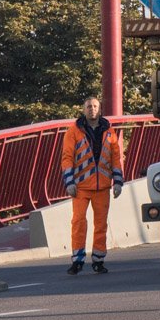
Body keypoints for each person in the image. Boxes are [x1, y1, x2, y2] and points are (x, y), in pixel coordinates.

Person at [60, 97, 124, 275]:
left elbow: (115, 159)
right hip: (80, 186)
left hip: (102, 187)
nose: (92, 109)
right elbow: (67, 157)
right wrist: (69, 182)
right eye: (89, 107)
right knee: (78, 223)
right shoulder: (73, 131)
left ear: (100, 109)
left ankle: (98, 260)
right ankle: (77, 260)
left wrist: (118, 182)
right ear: (83, 109)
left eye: (95, 106)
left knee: (101, 224)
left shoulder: (109, 132)